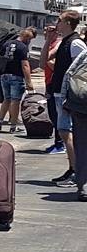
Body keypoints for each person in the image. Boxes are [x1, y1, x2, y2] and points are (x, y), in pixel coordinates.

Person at [50, 12, 87, 187]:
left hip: (67, 94)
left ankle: (76, 171)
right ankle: (73, 168)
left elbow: (81, 67)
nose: (56, 24)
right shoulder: (65, 41)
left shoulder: (75, 43)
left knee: (67, 131)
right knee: (64, 131)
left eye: (59, 21)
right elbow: (45, 61)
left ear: (67, 22)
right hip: (59, 91)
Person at [56, 40, 87, 201]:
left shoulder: (84, 54)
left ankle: (83, 187)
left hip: (81, 106)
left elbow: (69, 74)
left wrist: (64, 102)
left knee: (82, 147)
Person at [0, 28, 37, 133]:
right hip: (16, 76)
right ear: (27, 37)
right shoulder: (22, 47)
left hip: (4, 75)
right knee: (15, 101)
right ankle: (13, 126)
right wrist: (29, 81)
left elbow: (0, 58)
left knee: (6, 99)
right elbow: (25, 65)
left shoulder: (7, 44)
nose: (30, 42)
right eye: (30, 39)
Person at [42, 21, 65, 154]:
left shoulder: (58, 45)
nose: (46, 32)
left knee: (57, 114)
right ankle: (57, 141)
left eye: (50, 30)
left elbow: (54, 64)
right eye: (46, 30)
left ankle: (60, 143)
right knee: (52, 113)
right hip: (48, 82)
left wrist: (47, 59)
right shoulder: (49, 44)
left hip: (55, 83)